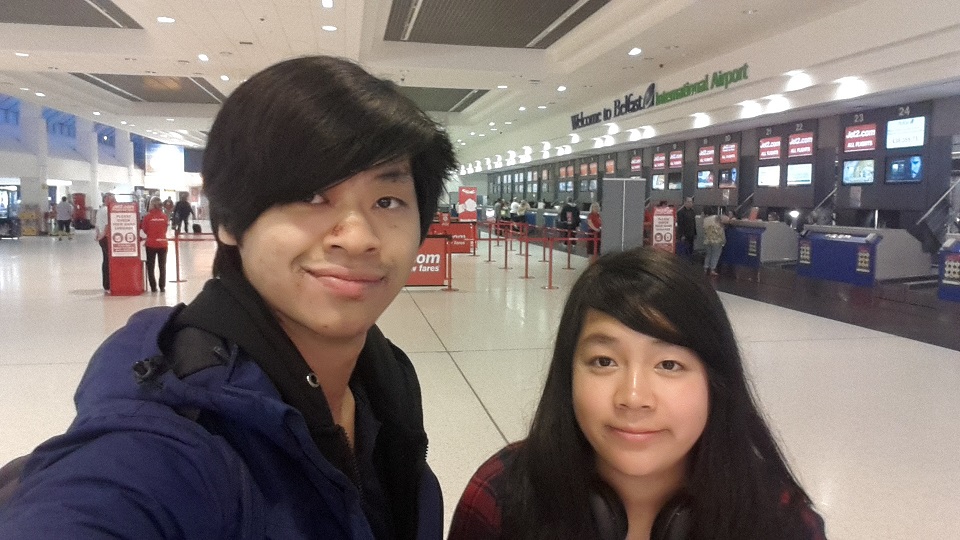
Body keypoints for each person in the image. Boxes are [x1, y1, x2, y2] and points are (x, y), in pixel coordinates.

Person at [0, 55, 456, 538]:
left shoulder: (384, 383)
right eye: (311, 197)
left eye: (388, 201)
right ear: (230, 222)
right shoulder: (169, 440)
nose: (359, 238)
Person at [449, 248, 826, 540]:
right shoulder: (502, 498)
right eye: (604, 361)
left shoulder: (781, 523)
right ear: (568, 373)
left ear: (716, 381)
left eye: (669, 365)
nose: (632, 397)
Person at [140, 196, 169, 293]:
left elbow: (144, 229)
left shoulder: (147, 217)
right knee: (162, 266)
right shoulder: (164, 216)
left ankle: (153, 287)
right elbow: (165, 229)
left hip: (151, 244)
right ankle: (162, 287)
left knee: (151, 267)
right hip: (163, 243)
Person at [94, 192, 115, 291]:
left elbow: (97, 224)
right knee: (108, 261)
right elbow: (107, 225)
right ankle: (108, 284)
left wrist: (98, 235)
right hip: (106, 238)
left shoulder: (100, 210)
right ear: (107, 199)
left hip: (102, 238)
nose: (114, 200)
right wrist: (103, 235)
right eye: (112, 199)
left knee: (105, 260)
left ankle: (106, 284)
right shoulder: (107, 210)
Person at [701, 206, 726, 276]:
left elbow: (704, 231)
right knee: (715, 255)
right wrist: (724, 240)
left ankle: (705, 268)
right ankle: (712, 269)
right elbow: (721, 230)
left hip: (707, 240)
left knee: (708, 254)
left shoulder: (705, 220)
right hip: (716, 240)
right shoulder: (716, 218)